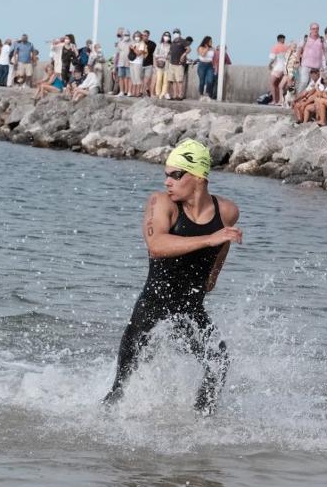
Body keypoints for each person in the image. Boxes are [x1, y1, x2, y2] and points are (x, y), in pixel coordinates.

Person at [103, 139, 240, 415]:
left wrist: (214, 269)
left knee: (218, 361)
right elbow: (157, 247)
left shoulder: (227, 212)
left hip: (190, 310)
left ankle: (202, 423)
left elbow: (221, 245)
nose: (167, 181)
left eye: (176, 175)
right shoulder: (161, 203)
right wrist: (209, 239)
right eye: (166, 174)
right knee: (121, 385)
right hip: (152, 307)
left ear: (199, 177)